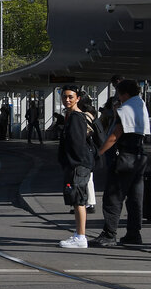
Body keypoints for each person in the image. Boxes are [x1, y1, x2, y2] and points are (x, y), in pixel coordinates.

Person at [94, 79, 149, 247]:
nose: (117, 97)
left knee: (113, 196)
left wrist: (99, 152)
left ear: (124, 93)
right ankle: (134, 233)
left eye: (118, 93)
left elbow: (115, 135)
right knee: (135, 198)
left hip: (124, 157)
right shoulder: (141, 104)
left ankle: (109, 234)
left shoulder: (125, 109)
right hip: (139, 156)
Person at [57, 86, 94, 248]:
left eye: (71, 97)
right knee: (77, 199)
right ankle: (79, 234)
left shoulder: (76, 117)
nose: (67, 100)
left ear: (78, 98)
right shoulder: (72, 116)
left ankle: (80, 237)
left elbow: (77, 143)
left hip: (78, 165)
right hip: (78, 164)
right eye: (64, 97)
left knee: (78, 200)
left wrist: (72, 163)